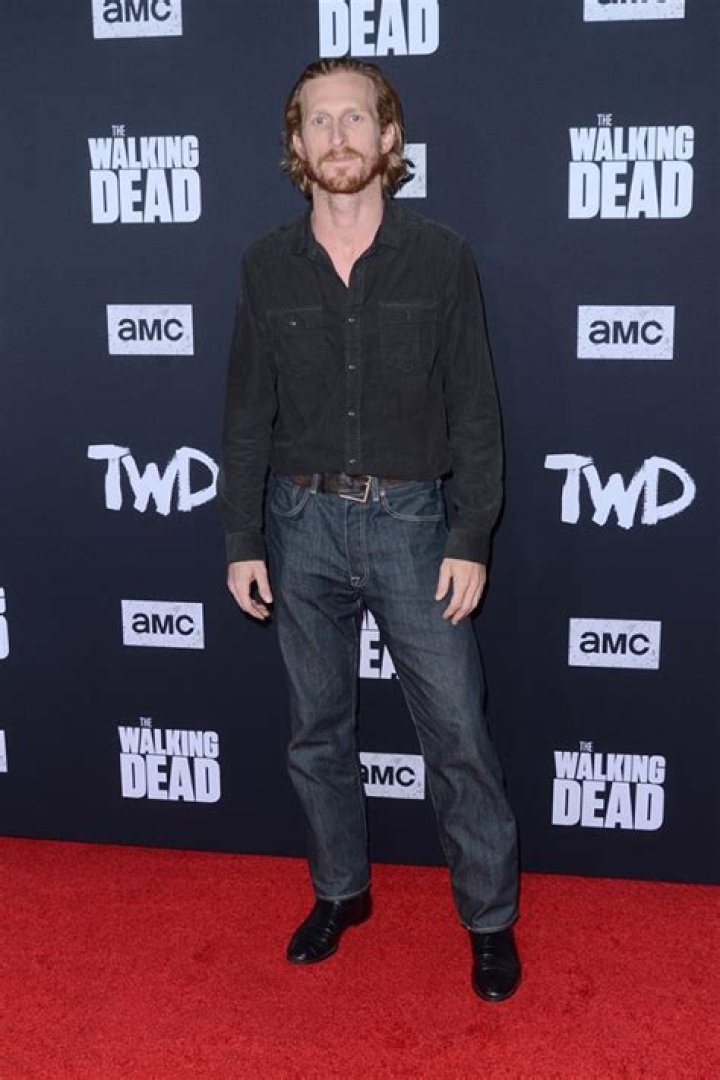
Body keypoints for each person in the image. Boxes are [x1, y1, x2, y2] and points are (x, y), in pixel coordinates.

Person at [220, 58, 520, 1002]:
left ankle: (489, 919)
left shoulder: (442, 257)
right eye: (319, 121)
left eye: (356, 117)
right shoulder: (266, 266)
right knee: (317, 731)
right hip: (297, 522)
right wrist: (241, 539)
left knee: (457, 733)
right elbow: (245, 414)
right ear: (296, 144)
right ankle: (339, 893)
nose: (338, 136)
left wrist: (471, 535)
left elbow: (476, 409)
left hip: (414, 524)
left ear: (389, 138)